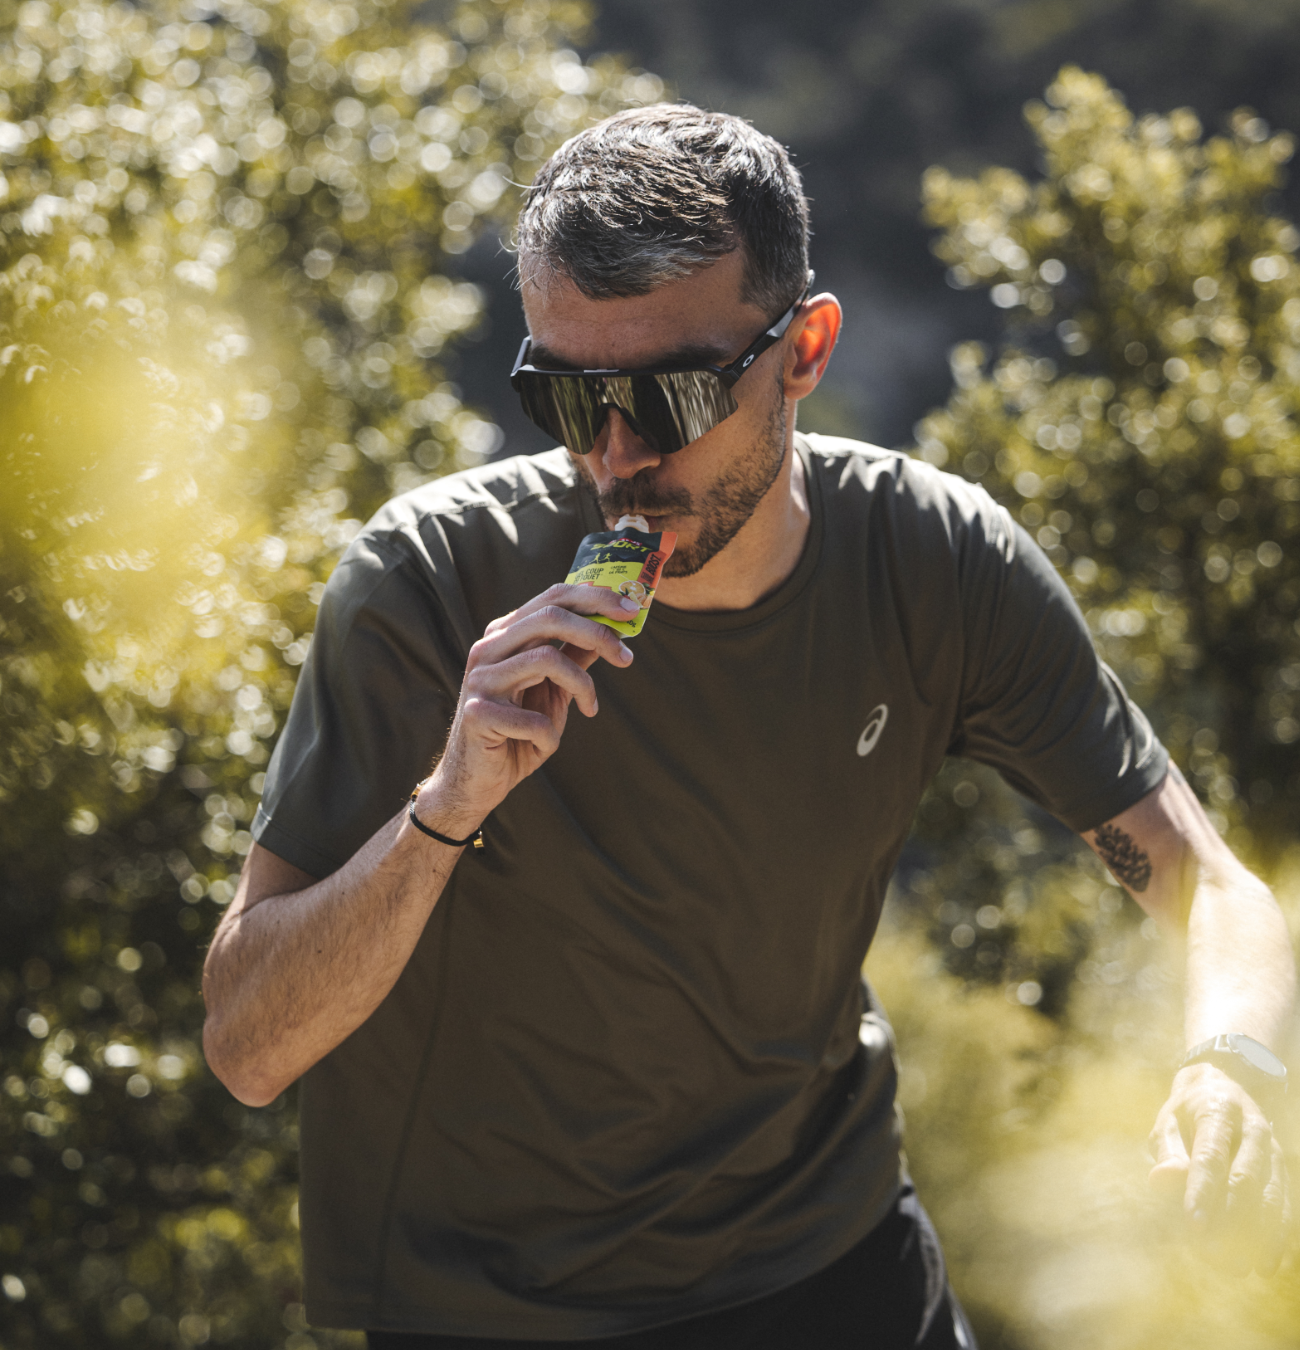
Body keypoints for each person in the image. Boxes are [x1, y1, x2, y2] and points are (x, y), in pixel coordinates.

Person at [202, 106, 1295, 1348]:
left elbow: (1209, 887)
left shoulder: (932, 560)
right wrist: (446, 807)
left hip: (832, 1255)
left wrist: (1229, 1065)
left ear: (804, 351)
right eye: (565, 396)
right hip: (496, 1311)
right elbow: (247, 1049)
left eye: (668, 396)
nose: (614, 455)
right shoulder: (427, 582)